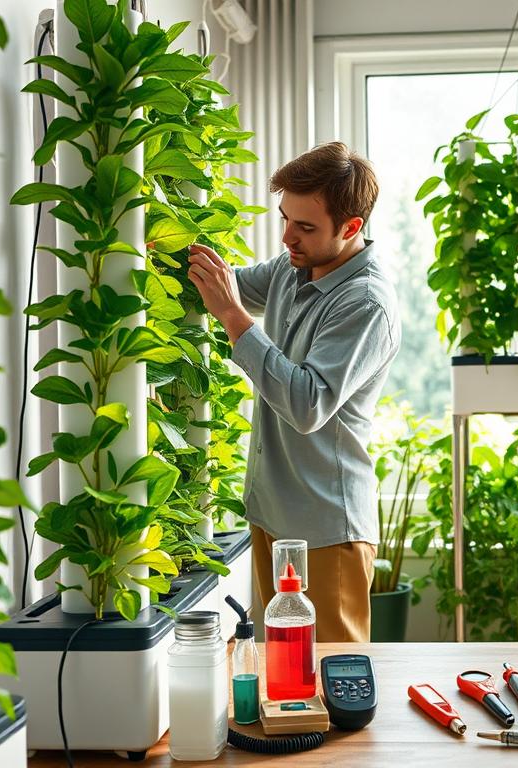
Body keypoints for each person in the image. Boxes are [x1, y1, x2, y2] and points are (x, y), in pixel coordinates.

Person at [186, 142, 400, 642]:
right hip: (272, 514)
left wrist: (234, 318)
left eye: (305, 227)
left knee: (336, 686)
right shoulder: (293, 266)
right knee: (280, 677)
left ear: (351, 227)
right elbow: (227, 285)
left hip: (327, 529)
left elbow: (307, 404)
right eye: (286, 219)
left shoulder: (365, 303)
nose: (287, 237)